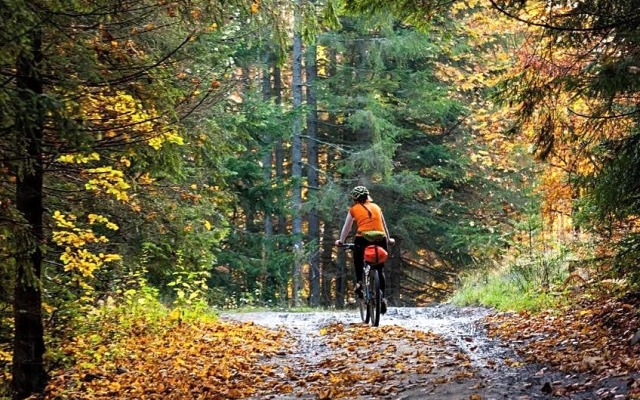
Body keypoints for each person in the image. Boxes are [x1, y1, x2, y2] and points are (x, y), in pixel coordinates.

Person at [335, 186, 395, 314]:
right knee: (379, 267)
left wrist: (341, 241)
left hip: (363, 238)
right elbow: (384, 226)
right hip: (380, 237)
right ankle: (382, 297)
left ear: (354, 199)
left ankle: (359, 282)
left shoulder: (353, 209)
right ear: (368, 197)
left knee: (358, 259)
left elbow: (347, 227)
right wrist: (389, 239)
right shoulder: (377, 207)